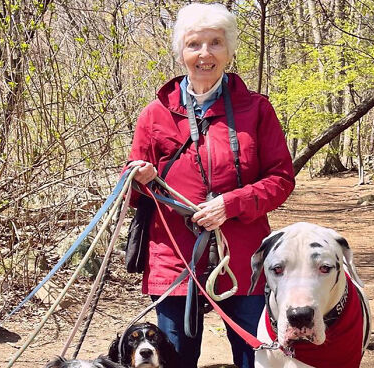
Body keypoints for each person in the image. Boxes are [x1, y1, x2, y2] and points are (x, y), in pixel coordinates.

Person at [124, 3, 295, 368]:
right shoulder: (155, 114)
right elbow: (131, 188)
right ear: (181, 52)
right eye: (194, 45)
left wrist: (231, 204)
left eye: (215, 43)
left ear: (230, 51)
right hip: (173, 257)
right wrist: (138, 178)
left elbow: (281, 179)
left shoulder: (256, 109)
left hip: (243, 258)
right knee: (174, 359)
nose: (205, 54)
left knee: (257, 355)